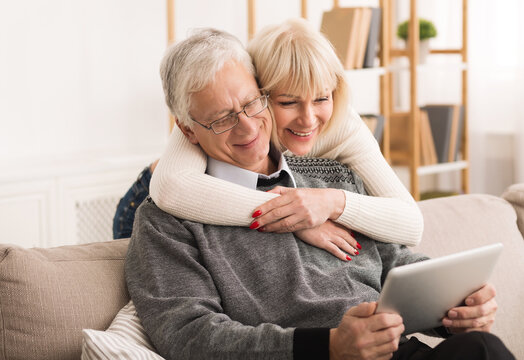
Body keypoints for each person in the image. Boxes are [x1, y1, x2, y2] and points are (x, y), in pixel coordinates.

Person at [125, 28, 514, 360]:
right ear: (188, 130)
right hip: (308, 354)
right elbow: (188, 335)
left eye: (250, 104)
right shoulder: (164, 221)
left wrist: (455, 305)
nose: (247, 128)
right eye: (222, 119)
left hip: (391, 351)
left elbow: (393, 259)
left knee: (482, 348)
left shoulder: (333, 173)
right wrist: (328, 346)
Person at [148, 19, 423, 261]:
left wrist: (331, 203)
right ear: (259, 89)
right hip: (155, 196)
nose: (308, 119)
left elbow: (411, 225)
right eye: (288, 102)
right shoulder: (214, 114)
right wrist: (296, 218)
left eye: (321, 98)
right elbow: (171, 188)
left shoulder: (344, 124)